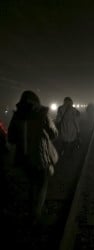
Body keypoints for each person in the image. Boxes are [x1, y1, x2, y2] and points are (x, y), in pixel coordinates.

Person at [8, 90, 58, 223]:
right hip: (40, 156)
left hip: (24, 157)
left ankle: (31, 209)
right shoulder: (42, 114)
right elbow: (54, 134)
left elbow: (11, 138)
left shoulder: (17, 115)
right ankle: (36, 213)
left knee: (31, 183)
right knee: (42, 184)